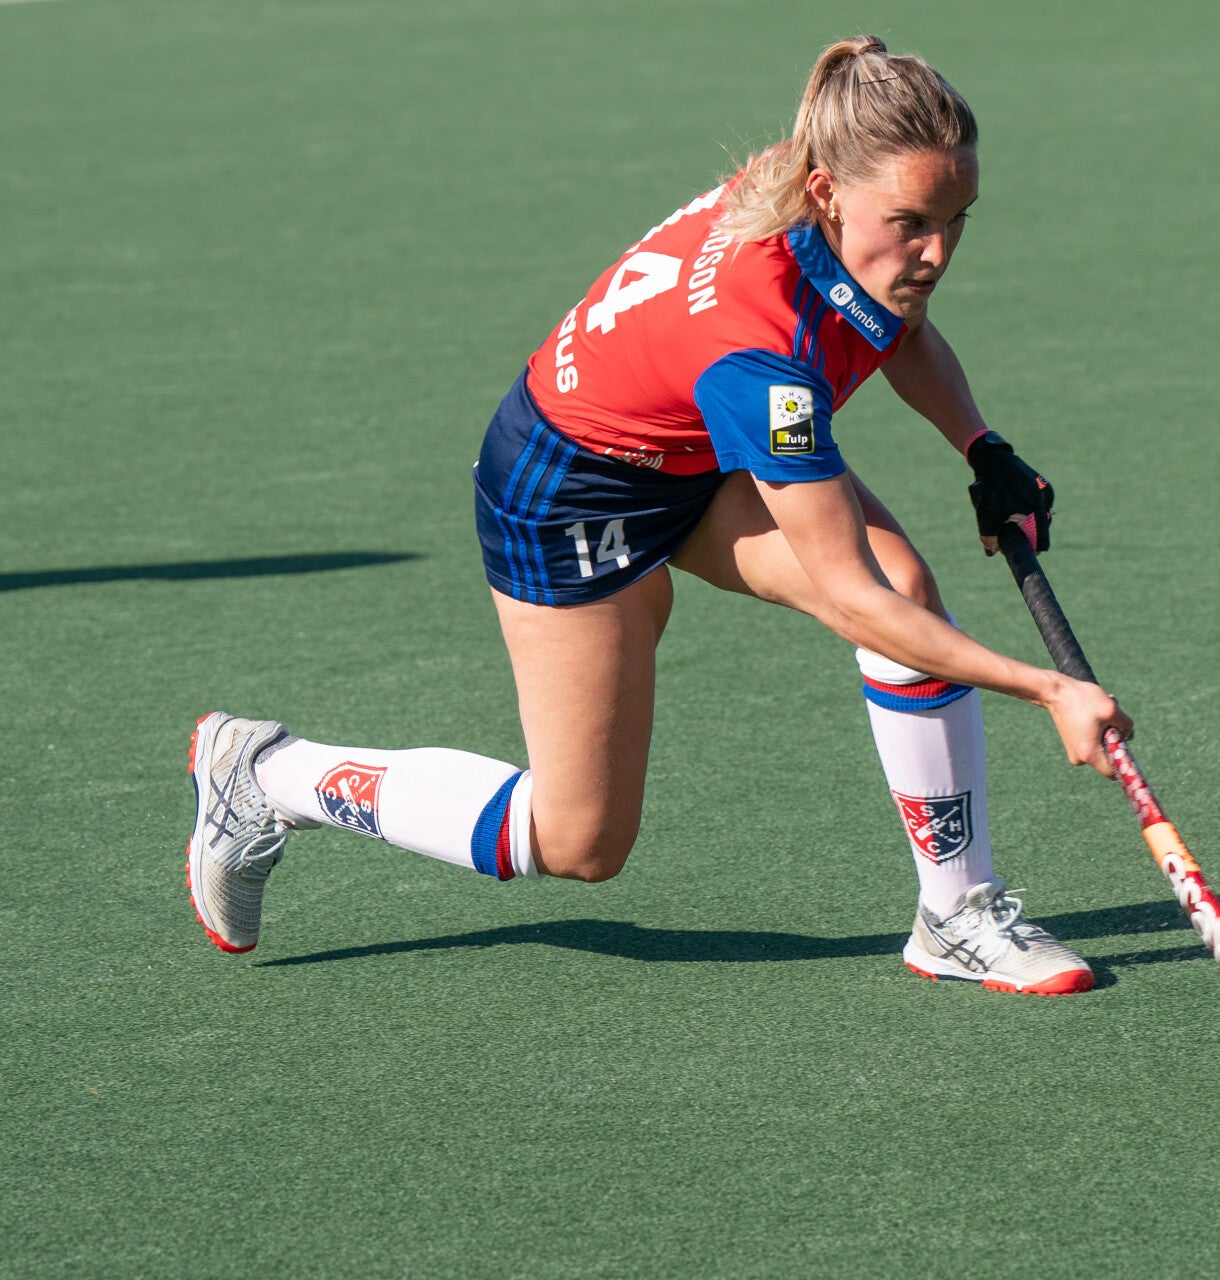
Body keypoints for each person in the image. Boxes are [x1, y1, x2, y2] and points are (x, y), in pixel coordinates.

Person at [184, 35, 1131, 996]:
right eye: (913, 223)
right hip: (569, 495)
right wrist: (1047, 690)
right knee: (580, 840)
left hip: (688, 449)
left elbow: (894, 318)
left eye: (957, 219)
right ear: (828, 192)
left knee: (906, 587)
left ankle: (956, 914)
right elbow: (851, 599)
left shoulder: (828, 194)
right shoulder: (759, 358)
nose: (937, 252)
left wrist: (980, 445)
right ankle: (268, 775)